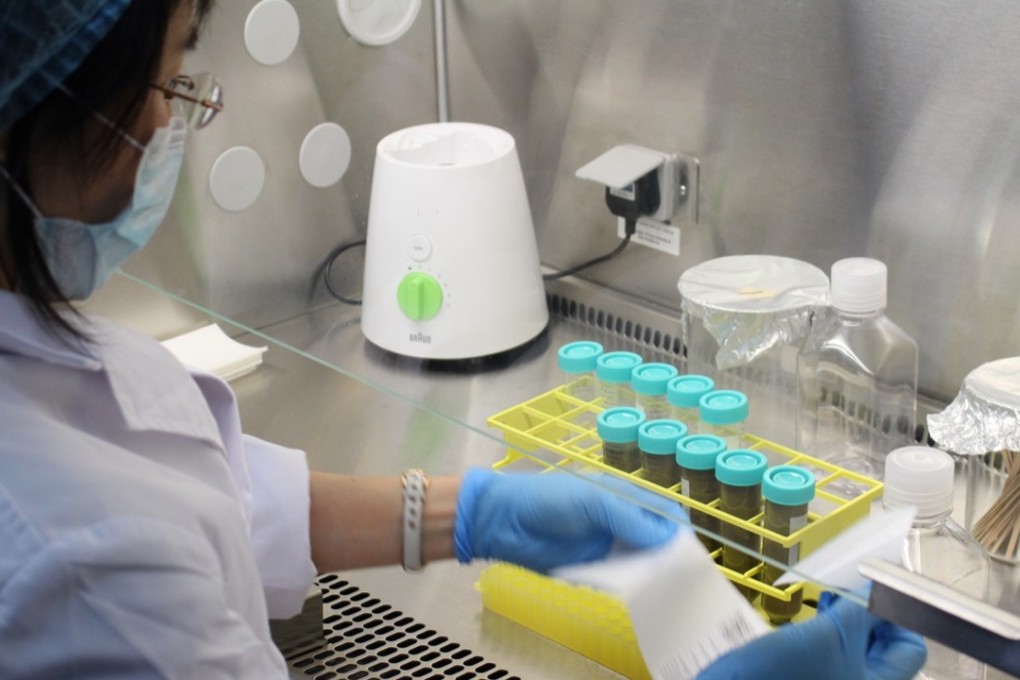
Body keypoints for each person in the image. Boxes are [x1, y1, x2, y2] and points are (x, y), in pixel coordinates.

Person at [0, 1, 925, 678]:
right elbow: (141, 536)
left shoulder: (48, 359)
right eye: (168, 82)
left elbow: (217, 494)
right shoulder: (86, 573)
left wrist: (466, 513)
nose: (174, 122)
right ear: (50, 105)